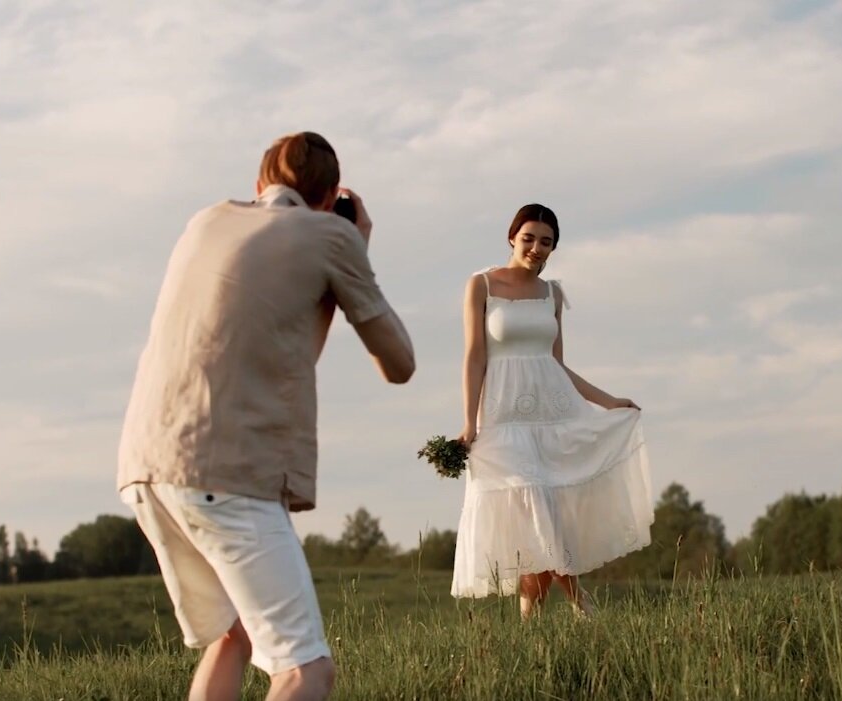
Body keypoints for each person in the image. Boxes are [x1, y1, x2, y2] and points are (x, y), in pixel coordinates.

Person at [116, 131, 414, 701]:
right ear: (330, 196)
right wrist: (354, 248)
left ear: (259, 185)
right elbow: (399, 364)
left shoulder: (205, 221)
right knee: (306, 669)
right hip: (224, 472)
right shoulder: (332, 235)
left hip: (145, 465)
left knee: (233, 636)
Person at [450, 203, 654, 618]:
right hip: (504, 418)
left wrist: (608, 401)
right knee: (534, 507)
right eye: (529, 238)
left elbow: (557, 365)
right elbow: (474, 357)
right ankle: (583, 605)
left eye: (546, 242)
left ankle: (532, 619)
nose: (536, 248)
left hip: (553, 415)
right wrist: (469, 422)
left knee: (545, 519)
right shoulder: (481, 286)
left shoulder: (552, 294)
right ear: (512, 237)